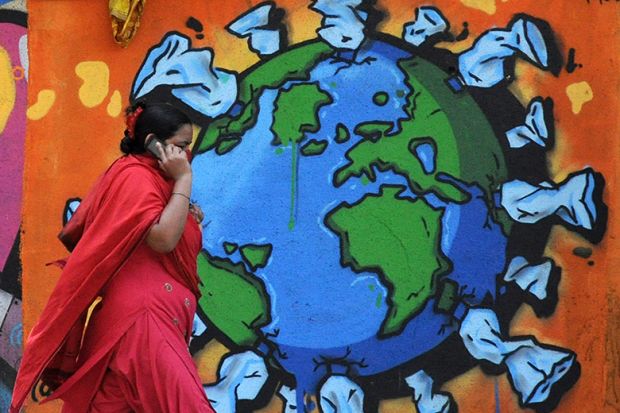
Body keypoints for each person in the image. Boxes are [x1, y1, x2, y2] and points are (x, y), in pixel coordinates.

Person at [11, 102, 215, 412]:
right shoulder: (134, 176)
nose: (186, 156)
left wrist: (185, 212)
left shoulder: (158, 183)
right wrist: (184, 182)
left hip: (148, 322)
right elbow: (161, 239)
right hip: (145, 322)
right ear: (153, 143)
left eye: (188, 148)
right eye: (180, 146)